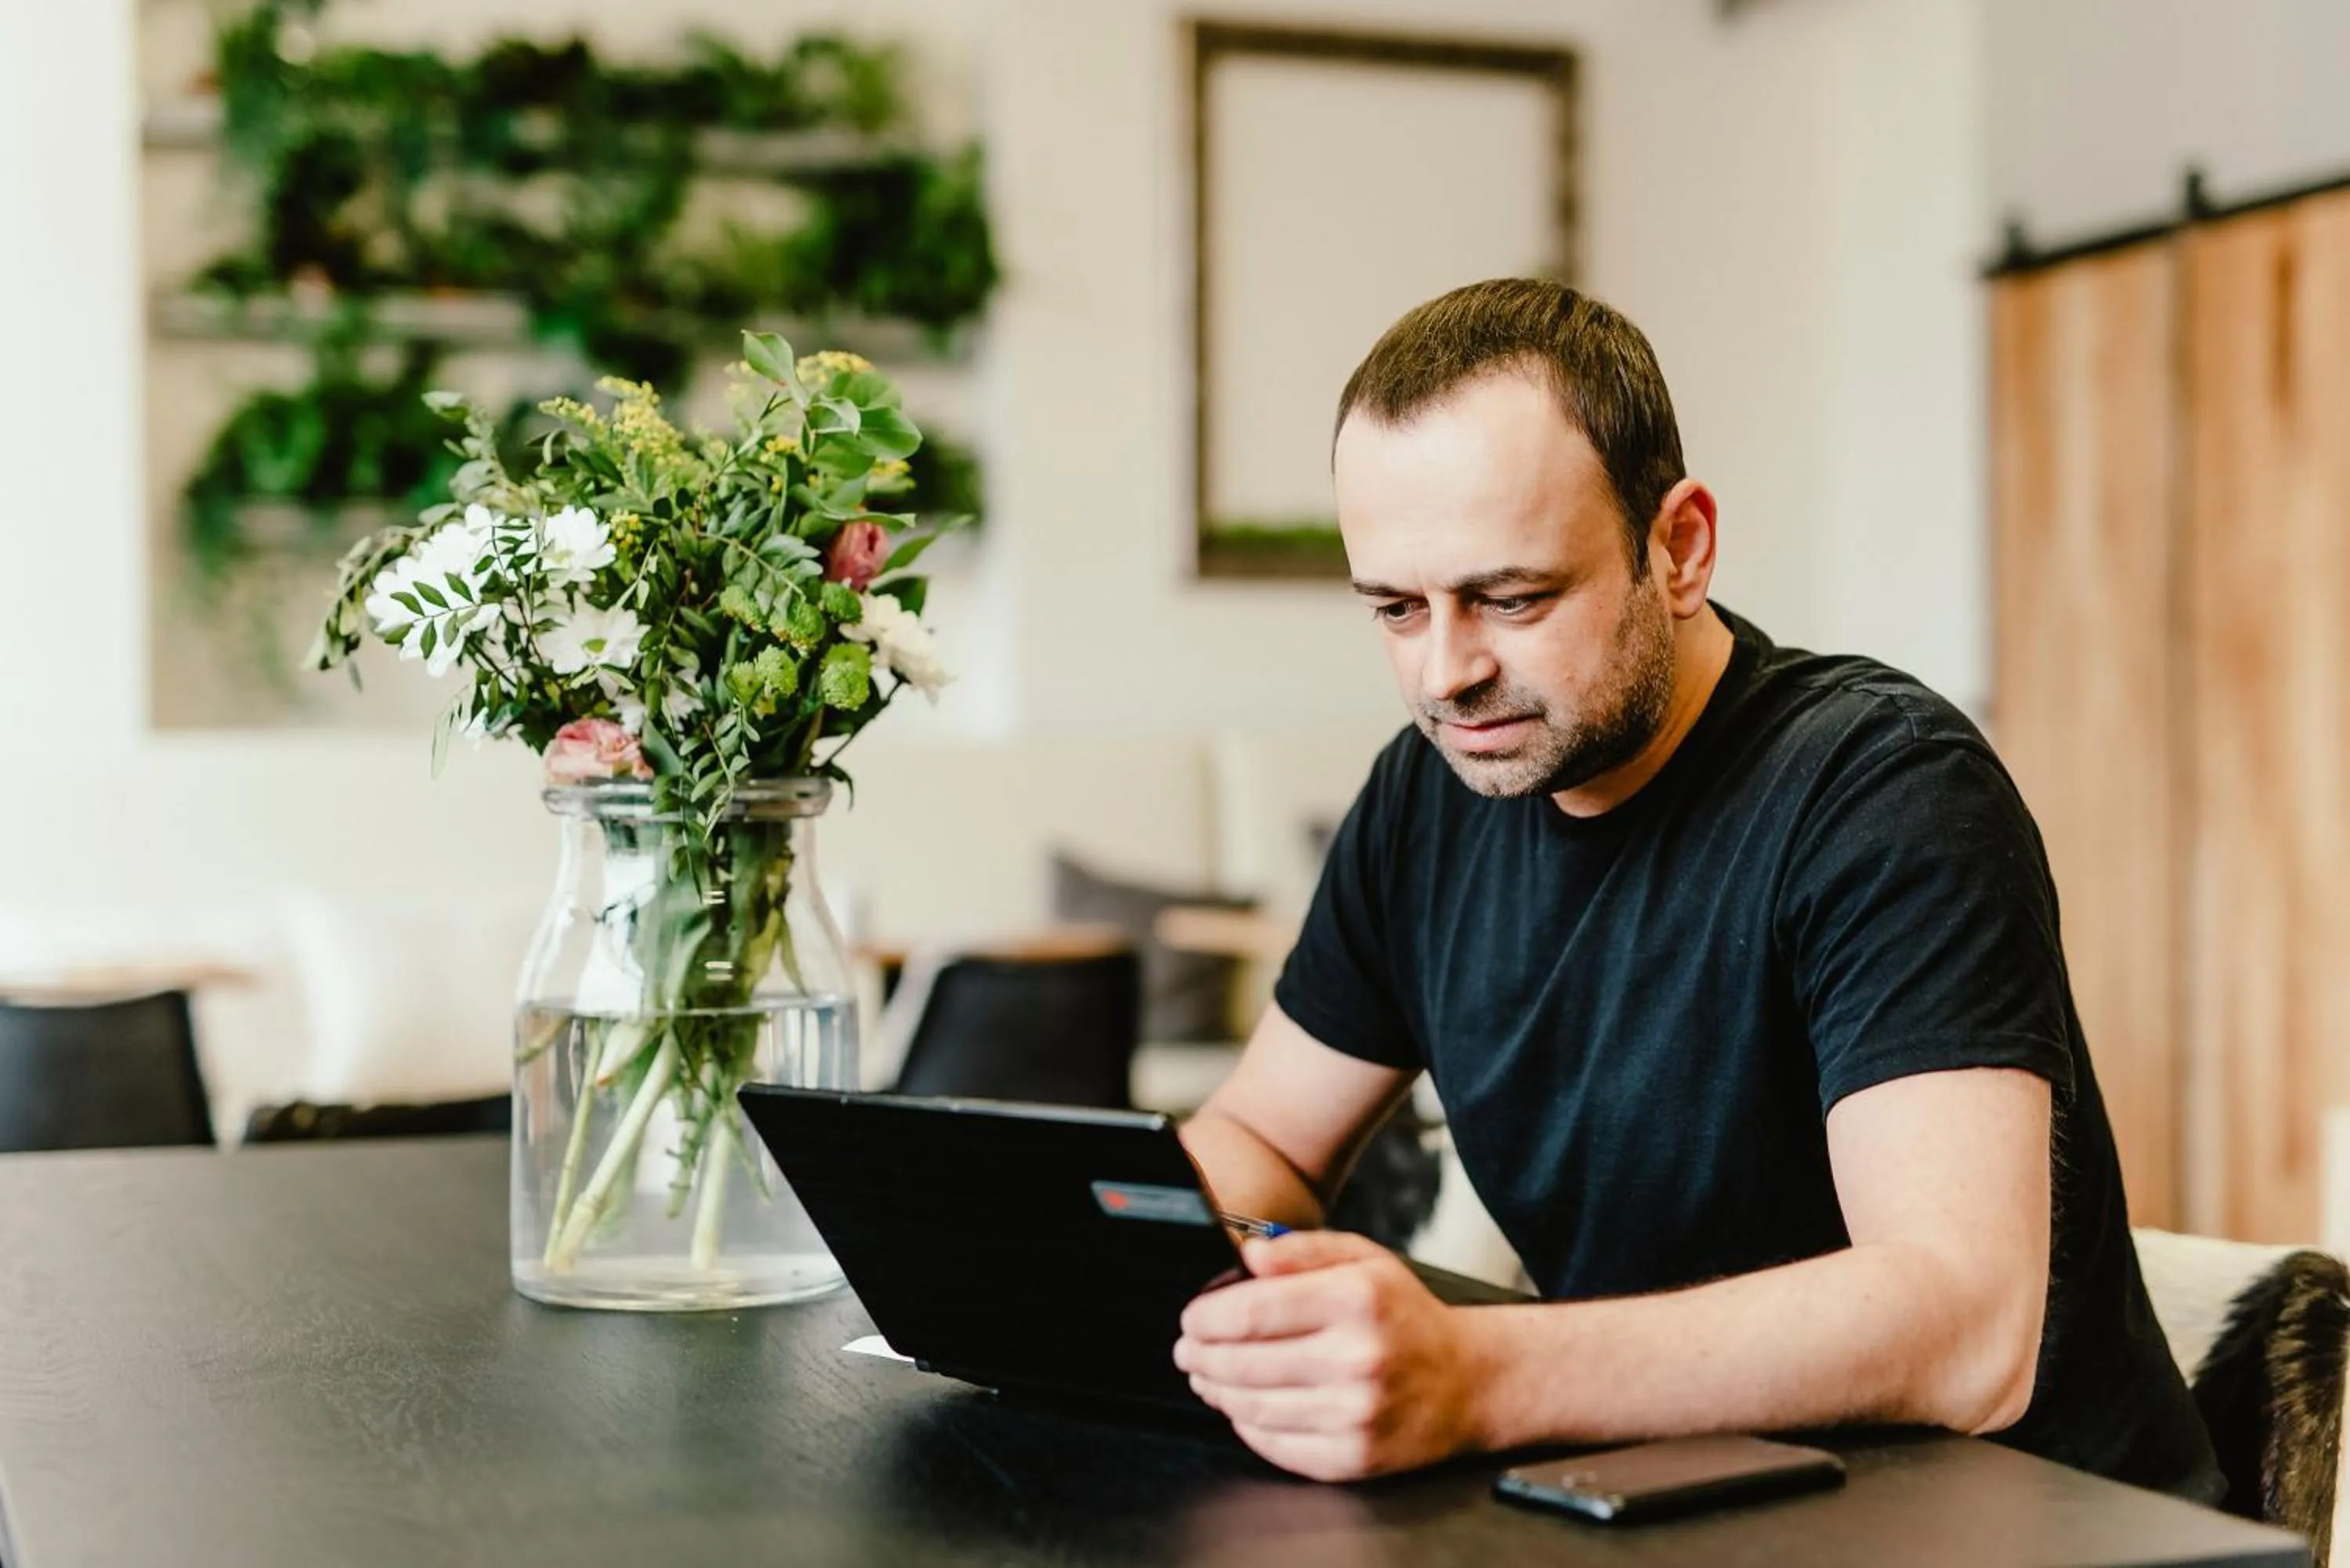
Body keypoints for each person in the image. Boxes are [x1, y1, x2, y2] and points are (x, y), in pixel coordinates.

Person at [1173, 277, 2222, 1501]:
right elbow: (1257, 1136)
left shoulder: (1880, 792)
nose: (1447, 671)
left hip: (2023, 1529)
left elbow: (1966, 1325)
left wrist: (1479, 1372)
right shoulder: (1425, 800)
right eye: (1399, 609)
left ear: (1678, 546)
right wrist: (1153, 1268)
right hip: (1680, 1507)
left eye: (1511, 599)